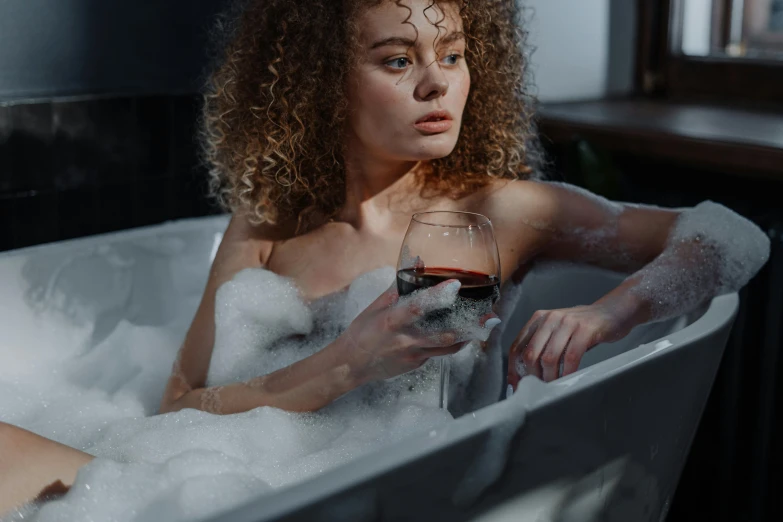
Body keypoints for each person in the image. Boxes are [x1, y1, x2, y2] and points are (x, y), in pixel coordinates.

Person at [0, 0, 769, 514]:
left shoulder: (491, 211)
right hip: (219, 484)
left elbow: (726, 235)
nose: (438, 81)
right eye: (398, 61)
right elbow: (181, 408)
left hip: (380, 491)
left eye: (455, 54)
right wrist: (345, 363)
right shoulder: (267, 224)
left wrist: (609, 312)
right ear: (323, 87)